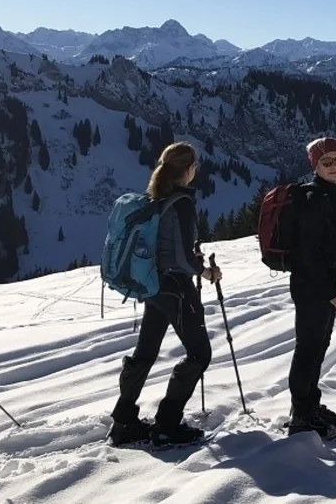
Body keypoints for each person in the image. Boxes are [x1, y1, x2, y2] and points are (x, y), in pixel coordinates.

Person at [109, 141, 221, 447]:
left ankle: (123, 423)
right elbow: (184, 257)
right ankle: (166, 426)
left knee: (145, 352)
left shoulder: (155, 198)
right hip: (176, 287)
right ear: (188, 169)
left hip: (153, 286)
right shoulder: (182, 202)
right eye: (195, 165)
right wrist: (206, 271)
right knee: (199, 354)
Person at [286, 136, 336, 438]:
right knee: (308, 349)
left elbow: (326, 244)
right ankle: (301, 419)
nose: (334, 167)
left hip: (320, 283)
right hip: (311, 287)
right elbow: (308, 253)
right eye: (326, 162)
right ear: (314, 164)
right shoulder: (314, 198)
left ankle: (309, 406)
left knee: (316, 348)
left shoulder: (330, 194)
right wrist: (331, 292)